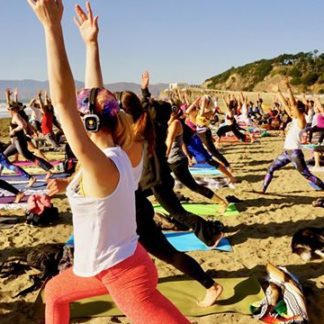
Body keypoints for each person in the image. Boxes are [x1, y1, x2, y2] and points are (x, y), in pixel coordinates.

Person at [29, 1, 188, 323]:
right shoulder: (124, 152)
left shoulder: (100, 165)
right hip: (106, 266)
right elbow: (91, 96)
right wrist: (91, 44)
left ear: (86, 123)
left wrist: (52, 28)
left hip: (124, 277)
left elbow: (62, 103)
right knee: (54, 293)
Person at [262, 82, 324, 192]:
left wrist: (288, 88)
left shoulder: (301, 120)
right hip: (287, 153)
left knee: (306, 174)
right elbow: (287, 105)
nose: (290, 111)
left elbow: (292, 104)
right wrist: (278, 92)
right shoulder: (295, 119)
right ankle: (263, 190)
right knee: (271, 168)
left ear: (298, 110)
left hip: (295, 153)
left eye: (293, 110)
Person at [166, 104, 228, 210]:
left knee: (193, 186)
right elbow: (182, 143)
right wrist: (188, 156)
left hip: (177, 161)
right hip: (173, 160)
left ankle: (221, 202)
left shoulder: (176, 123)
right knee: (160, 181)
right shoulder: (170, 123)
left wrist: (165, 155)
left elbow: (170, 142)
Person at [3, 91, 53, 179]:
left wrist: (14, 130)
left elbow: (23, 125)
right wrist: (8, 96)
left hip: (19, 140)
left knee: (29, 156)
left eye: (8, 108)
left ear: (12, 109)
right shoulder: (17, 114)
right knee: (4, 155)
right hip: (15, 142)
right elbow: (25, 124)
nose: (7, 109)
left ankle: (48, 170)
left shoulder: (16, 116)